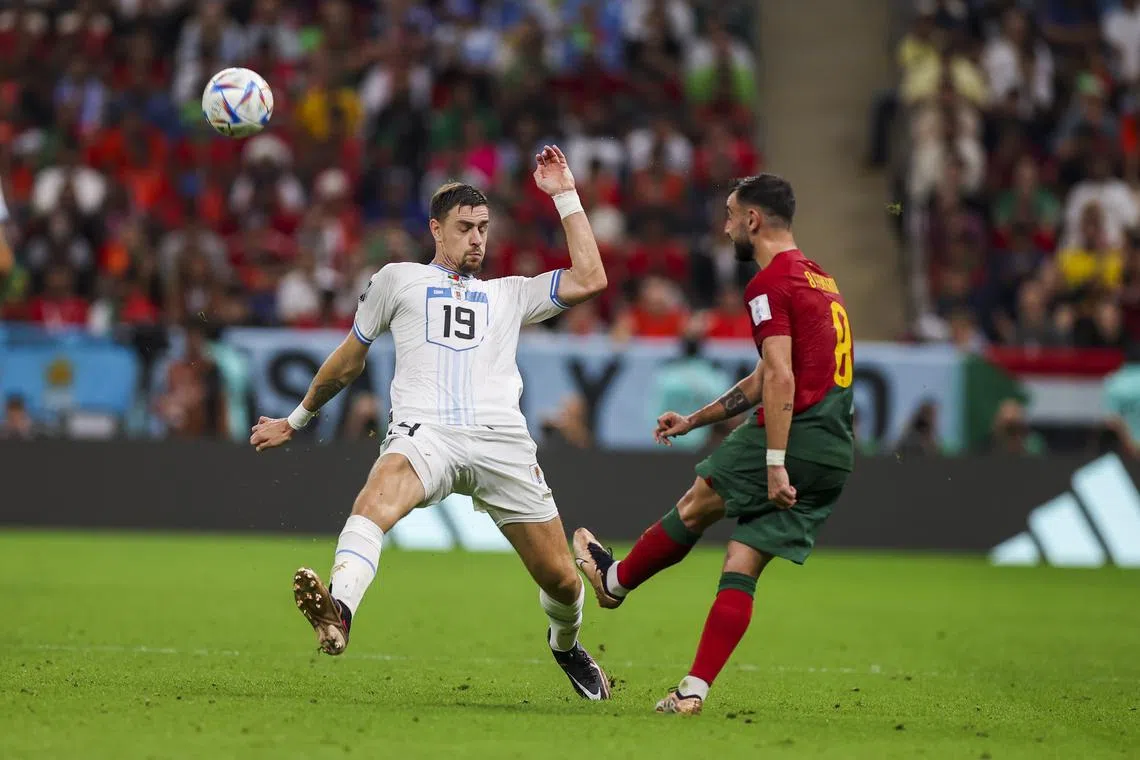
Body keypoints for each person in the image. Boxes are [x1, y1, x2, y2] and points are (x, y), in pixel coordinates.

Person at [249, 146, 613, 700]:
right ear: (436, 230)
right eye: (465, 227)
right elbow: (350, 358)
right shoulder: (398, 280)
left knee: (563, 581)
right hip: (427, 435)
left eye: (484, 228)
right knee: (374, 499)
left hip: (502, 444)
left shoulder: (509, 293)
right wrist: (297, 420)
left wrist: (565, 193)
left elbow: (591, 277)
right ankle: (339, 612)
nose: (477, 239)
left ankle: (565, 646)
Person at [573, 174, 856, 715]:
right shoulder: (820, 279)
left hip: (800, 433)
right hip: (835, 449)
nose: (725, 227)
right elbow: (760, 379)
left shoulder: (769, 284)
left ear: (753, 220)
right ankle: (692, 691)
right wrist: (696, 421)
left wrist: (774, 463)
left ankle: (613, 582)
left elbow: (778, 380)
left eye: (730, 215)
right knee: (741, 559)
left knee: (699, 499)